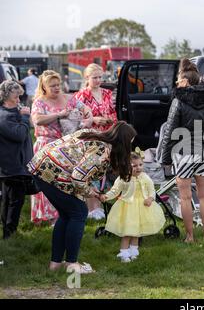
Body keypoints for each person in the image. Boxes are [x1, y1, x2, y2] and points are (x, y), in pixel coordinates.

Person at [27, 121, 137, 273]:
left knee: (67, 215)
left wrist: (88, 188)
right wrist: (90, 192)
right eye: (129, 144)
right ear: (122, 142)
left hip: (42, 164)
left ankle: (55, 264)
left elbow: (78, 168)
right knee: (79, 213)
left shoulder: (94, 134)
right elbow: (78, 177)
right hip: (51, 171)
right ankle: (72, 264)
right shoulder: (101, 150)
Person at [160, 58, 204, 243]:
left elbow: (169, 131)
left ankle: (190, 236)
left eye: (178, 79)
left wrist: (165, 158)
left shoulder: (179, 101)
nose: (176, 82)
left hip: (183, 153)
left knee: (185, 197)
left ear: (184, 81)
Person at [30, 70, 92, 225]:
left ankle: (62, 213)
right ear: (44, 87)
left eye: (58, 85)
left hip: (65, 146)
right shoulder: (39, 102)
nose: (57, 88)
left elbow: (85, 109)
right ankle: (47, 216)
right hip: (46, 146)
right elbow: (37, 120)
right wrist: (60, 114)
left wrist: (88, 118)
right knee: (47, 182)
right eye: (52, 86)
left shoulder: (68, 98)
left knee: (63, 182)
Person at [99, 150, 165, 262]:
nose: (138, 168)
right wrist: (106, 196)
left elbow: (152, 191)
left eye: (140, 165)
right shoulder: (123, 178)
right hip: (127, 208)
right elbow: (115, 191)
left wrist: (150, 198)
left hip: (142, 208)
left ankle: (134, 251)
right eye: (134, 166)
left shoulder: (145, 177)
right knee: (127, 232)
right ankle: (124, 253)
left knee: (136, 232)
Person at [74, 63, 118, 220]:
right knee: (91, 170)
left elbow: (114, 113)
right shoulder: (81, 95)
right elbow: (76, 119)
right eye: (95, 77)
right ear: (87, 78)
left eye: (100, 77)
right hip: (91, 137)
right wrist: (94, 119)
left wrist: (108, 120)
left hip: (107, 135)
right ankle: (92, 208)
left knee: (106, 170)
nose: (99, 80)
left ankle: (105, 204)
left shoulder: (107, 93)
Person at [0, 80, 33, 239]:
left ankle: (8, 232)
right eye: (16, 95)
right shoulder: (4, 115)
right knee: (14, 202)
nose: (19, 98)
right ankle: (9, 234)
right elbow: (20, 135)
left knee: (9, 201)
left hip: (16, 165)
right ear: (6, 96)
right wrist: (25, 118)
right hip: (12, 166)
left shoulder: (14, 112)